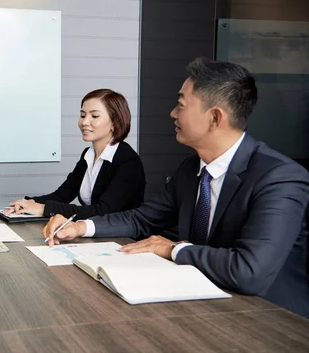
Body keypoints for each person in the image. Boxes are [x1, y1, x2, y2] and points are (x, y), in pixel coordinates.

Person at [43, 57, 309, 317]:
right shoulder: (189, 169)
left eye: (181, 105)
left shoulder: (279, 178)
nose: (172, 113)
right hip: (199, 302)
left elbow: (250, 272)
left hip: (270, 318)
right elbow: (141, 219)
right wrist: (81, 227)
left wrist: (172, 248)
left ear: (215, 118)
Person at [5, 89, 145, 220]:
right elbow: (62, 195)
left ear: (115, 122)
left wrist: (43, 209)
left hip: (124, 239)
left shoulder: (128, 161)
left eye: (94, 116)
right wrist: (28, 203)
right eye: (82, 115)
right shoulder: (88, 155)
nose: (84, 122)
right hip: (93, 233)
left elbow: (103, 211)